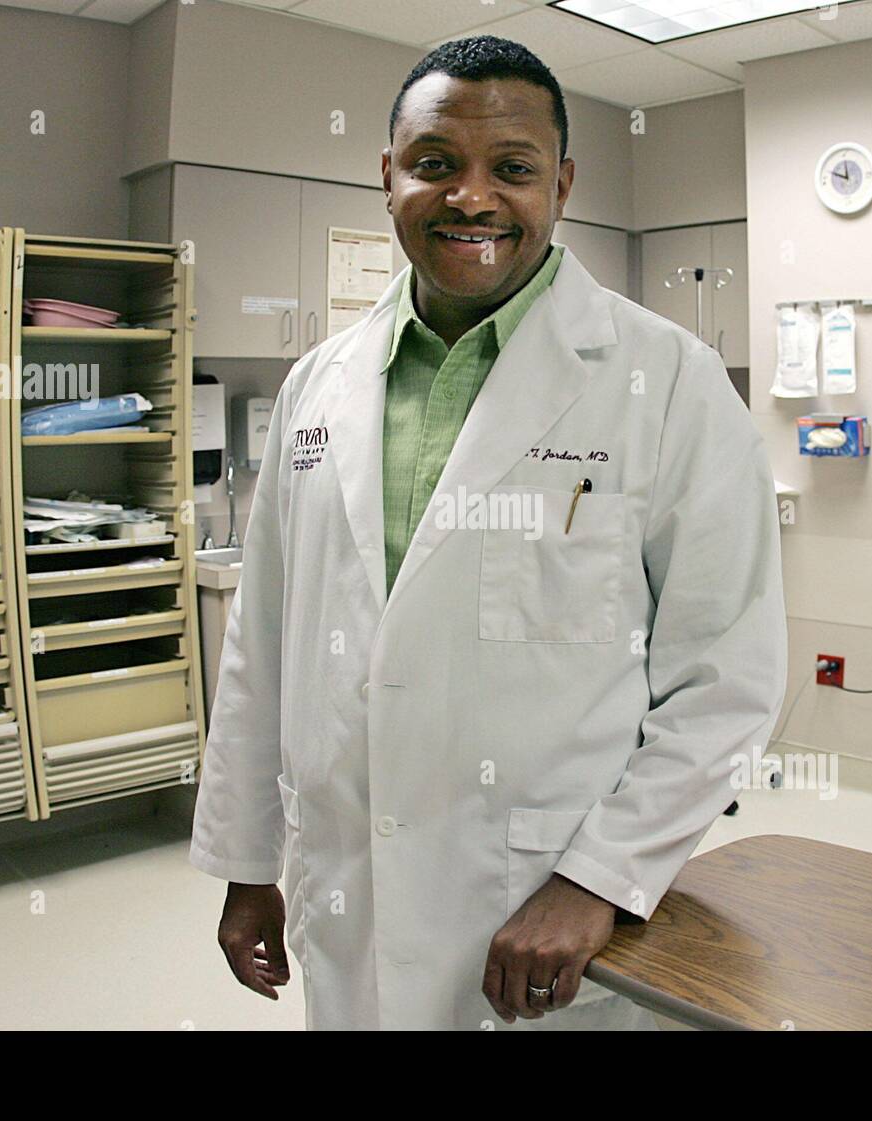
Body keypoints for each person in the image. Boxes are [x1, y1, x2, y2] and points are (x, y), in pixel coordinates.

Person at [190, 34, 787, 1031]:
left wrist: (600, 877)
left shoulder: (666, 382)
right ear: (388, 176)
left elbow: (729, 678)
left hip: (544, 907)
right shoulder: (319, 386)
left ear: (559, 182)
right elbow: (264, 647)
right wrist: (249, 858)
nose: (471, 197)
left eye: (510, 168)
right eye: (435, 164)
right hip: (351, 887)